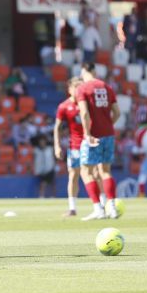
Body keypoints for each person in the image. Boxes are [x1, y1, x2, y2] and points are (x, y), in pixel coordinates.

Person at [76, 62, 121, 221]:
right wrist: (108, 125)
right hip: (108, 134)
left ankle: (98, 209)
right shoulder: (107, 87)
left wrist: (87, 134)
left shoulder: (82, 88)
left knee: (85, 171)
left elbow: (84, 113)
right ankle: (112, 208)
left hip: (93, 135)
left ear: (84, 71)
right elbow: (117, 112)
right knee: (105, 171)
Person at [54, 78, 84, 217]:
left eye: (81, 87)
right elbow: (57, 127)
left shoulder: (87, 103)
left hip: (90, 144)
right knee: (73, 175)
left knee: (95, 174)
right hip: (75, 146)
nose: (78, 90)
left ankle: (101, 204)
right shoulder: (64, 106)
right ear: (70, 89)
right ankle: (72, 208)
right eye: (76, 87)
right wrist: (57, 145)